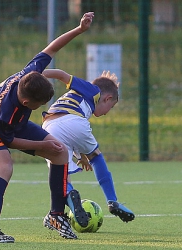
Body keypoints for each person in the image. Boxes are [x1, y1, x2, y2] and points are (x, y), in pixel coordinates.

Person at [0, 12, 94, 242]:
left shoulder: (31, 74)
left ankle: (56, 215)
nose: (42, 108)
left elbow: (52, 48)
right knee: (4, 167)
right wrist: (43, 143)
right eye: (41, 105)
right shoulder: (7, 112)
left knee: (60, 152)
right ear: (28, 103)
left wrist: (79, 29)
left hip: (13, 124)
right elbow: (10, 141)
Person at [42, 69, 135, 223]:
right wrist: (35, 72)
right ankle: (112, 201)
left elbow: (66, 131)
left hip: (48, 126)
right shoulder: (91, 88)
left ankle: (71, 198)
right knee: (96, 157)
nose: (107, 113)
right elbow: (61, 74)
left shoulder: (76, 96)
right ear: (107, 98)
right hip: (73, 121)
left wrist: (80, 155)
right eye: (110, 107)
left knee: (61, 176)